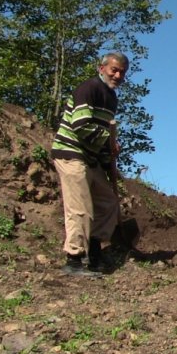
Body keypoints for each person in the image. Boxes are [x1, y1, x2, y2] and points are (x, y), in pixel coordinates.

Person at [51, 52, 129, 276]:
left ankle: (94, 252)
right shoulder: (89, 88)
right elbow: (81, 125)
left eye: (122, 72)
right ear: (101, 68)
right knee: (81, 207)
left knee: (107, 202)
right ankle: (74, 259)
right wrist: (109, 141)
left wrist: (107, 158)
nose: (117, 75)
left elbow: (102, 135)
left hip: (90, 158)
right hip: (71, 152)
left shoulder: (111, 98)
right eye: (114, 70)